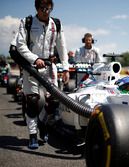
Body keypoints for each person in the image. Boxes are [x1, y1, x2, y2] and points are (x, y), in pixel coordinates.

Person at [15, 0, 69, 149]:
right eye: (42, 8)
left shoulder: (56, 24)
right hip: (31, 67)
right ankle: (32, 135)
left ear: (51, 8)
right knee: (32, 101)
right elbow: (20, 45)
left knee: (52, 103)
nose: (45, 11)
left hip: (50, 68)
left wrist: (65, 68)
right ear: (37, 8)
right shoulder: (27, 22)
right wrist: (35, 58)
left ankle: (42, 123)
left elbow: (62, 46)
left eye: (48, 8)